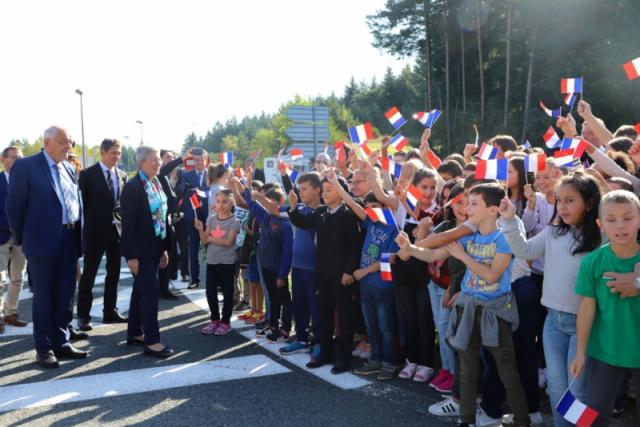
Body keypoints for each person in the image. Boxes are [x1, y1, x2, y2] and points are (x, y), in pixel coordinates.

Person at [397, 183, 530, 427]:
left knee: (507, 373)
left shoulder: (503, 239)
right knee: (467, 373)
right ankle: (465, 419)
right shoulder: (468, 235)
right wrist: (411, 248)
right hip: (468, 309)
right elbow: (434, 255)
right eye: (467, 203)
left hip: (495, 314)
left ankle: (523, 420)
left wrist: (463, 257)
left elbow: (492, 276)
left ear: (492, 210)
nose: (467, 209)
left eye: (473, 204)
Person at [499, 172, 602, 427]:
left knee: (578, 393)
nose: (562, 207)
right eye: (559, 200)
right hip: (553, 322)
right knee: (557, 390)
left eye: (570, 200)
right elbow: (524, 250)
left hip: (585, 325)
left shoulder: (602, 237)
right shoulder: (553, 232)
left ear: (588, 203)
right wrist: (511, 220)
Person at [7, 126, 86, 368]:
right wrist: (25, 240)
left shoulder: (69, 168)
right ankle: (44, 348)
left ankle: (61, 341)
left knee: (64, 295)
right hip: (41, 243)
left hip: (69, 239)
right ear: (47, 142)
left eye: (70, 142)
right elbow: (14, 208)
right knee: (44, 296)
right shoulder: (26, 167)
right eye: (63, 142)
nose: (68, 147)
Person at [571, 190, 640, 427]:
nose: (620, 225)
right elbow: (587, 309)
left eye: (628, 217)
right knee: (594, 414)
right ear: (601, 224)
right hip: (605, 352)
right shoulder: (592, 262)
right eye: (611, 220)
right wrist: (580, 352)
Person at [288, 174, 363, 374]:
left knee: (344, 317)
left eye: (330, 190)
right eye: (325, 190)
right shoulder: (321, 212)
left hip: (342, 275)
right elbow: (302, 223)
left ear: (341, 191)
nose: (325, 193)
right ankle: (325, 352)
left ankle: (344, 357)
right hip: (323, 272)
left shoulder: (348, 215)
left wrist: (349, 271)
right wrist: (293, 207)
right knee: (323, 315)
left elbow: (356, 246)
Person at [120, 146, 173, 358]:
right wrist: (131, 256)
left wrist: (164, 249)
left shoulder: (155, 182)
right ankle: (152, 341)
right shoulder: (133, 187)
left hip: (155, 247)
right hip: (140, 251)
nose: (158, 164)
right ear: (141, 162)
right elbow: (129, 225)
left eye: (159, 160)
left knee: (140, 291)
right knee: (150, 293)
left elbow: (162, 216)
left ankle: (134, 332)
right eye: (154, 160)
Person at [76, 138, 128, 330]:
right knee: (89, 275)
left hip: (116, 232)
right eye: (113, 153)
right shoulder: (88, 175)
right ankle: (83, 315)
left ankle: (110, 311)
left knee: (114, 273)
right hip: (94, 233)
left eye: (119, 153)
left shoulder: (122, 175)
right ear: (103, 152)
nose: (117, 156)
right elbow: (81, 205)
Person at [240, 172, 293, 344]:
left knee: (284, 299)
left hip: (278, 270)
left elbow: (287, 253)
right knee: (273, 298)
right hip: (267, 267)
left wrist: (282, 275)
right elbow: (251, 203)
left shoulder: (285, 225)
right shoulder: (265, 217)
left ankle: (285, 328)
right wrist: (246, 185)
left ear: (279, 204)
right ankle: (274, 325)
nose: (265, 205)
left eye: (269, 202)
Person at [279, 172, 322, 355]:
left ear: (317, 190)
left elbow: (302, 223)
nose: (301, 192)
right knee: (299, 306)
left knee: (316, 307)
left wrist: (294, 205)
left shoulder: (320, 212)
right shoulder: (301, 208)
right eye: (300, 189)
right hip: (297, 267)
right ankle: (302, 338)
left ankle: (320, 342)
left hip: (314, 269)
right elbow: (292, 193)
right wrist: (283, 175)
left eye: (305, 189)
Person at [195, 189, 240, 335]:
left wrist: (211, 239)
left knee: (228, 293)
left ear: (231, 202)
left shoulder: (234, 221)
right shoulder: (211, 219)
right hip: (212, 262)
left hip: (227, 263)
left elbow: (228, 242)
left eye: (225, 201)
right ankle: (214, 320)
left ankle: (225, 322)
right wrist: (201, 230)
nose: (220, 205)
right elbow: (204, 240)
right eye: (218, 201)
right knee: (210, 292)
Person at [0, 146, 27, 333]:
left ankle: (11, 312)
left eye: (20, 158)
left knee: (18, 277)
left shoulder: (26, 182)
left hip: (21, 237)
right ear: (4, 160)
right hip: (1, 235)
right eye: (13, 157)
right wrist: (9, 223)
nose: (17, 161)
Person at [177, 149, 209, 289]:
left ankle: (215, 281)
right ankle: (194, 279)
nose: (199, 162)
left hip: (210, 215)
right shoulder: (186, 175)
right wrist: (189, 190)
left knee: (212, 247)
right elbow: (181, 190)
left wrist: (200, 191)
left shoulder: (212, 174)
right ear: (192, 161)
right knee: (193, 248)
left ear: (206, 159)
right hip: (192, 216)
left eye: (201, 159)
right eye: (196, 160)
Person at [158, 149, 184, 300]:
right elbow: (165, 169)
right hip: (160, 221)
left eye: (172, 157)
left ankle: (164, 287)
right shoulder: (159, 173)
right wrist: (181, 158)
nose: (170, 160)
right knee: (161, 254)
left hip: (170, 219)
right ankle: (160, 288)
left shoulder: (172, 175)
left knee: (169, 253)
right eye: (167, 157)